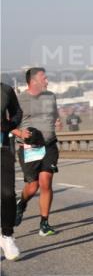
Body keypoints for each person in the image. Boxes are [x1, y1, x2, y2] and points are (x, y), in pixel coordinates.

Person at [14, 68, 61, 236]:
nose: (47, 80)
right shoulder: (19, 100)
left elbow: (54, 114)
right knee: (32, 186)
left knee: (46, 181)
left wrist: (57, 121)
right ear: (33, 81)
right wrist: (19, 132)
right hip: (28, 148)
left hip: (49, 145)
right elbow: (5, 122)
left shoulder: (50, 96)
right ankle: (22, 203)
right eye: (44, 78)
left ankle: (44, 223)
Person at [1, 82, 23, 260]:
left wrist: (10, 124)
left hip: (3, 149)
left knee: (8, 194)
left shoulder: (5, 90)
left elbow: (17, 112)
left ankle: (7, 236)